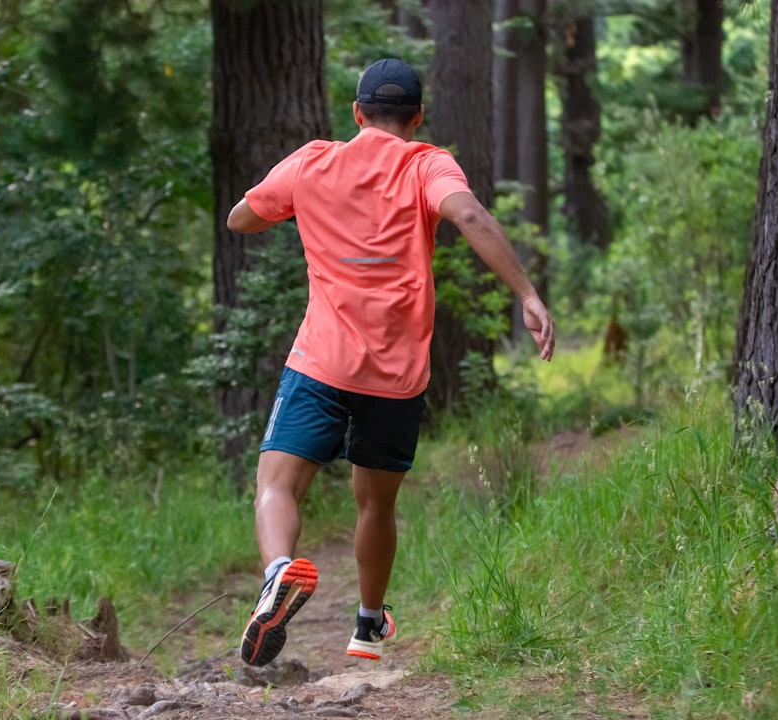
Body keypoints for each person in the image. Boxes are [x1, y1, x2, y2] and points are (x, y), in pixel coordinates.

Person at [228, 58, 555, 667]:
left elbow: (241, 219)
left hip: (320, 363)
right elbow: (470, 216)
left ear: (356, 113)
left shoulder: (312, 161)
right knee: (376, 504)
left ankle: (278, 572)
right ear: (417, 116)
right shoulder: (426, 162)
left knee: (276, 484)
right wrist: (528, 296)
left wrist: (294, 205)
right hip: (397, 378)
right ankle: (367, 626)